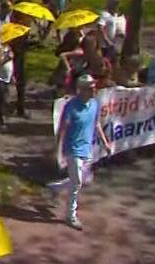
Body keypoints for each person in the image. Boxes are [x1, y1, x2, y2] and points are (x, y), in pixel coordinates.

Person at [47, 74, 112, 230]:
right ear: (81, 90)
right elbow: (63, 129)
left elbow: (96, 125)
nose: (94, 90)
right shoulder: (71, 107)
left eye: (94, 87)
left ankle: (55, 188)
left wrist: (105, 143)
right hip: (72, 149)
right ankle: (71, 215)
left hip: (86, 148)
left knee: (81, 179)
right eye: (90, 88)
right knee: (77, 182)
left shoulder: (94, 104)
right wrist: (57, 149)